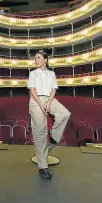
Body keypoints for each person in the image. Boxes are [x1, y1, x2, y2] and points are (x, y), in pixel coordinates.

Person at [28, 50, 71, 179]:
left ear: (45, 59)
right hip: (36, 101)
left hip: (49, 99)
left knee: (65, 114)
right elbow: (32, 91)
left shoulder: (52, 74)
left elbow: (53, 90)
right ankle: (43, 167)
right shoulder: (33, 73)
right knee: (40, 131)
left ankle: (54, 136)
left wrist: (48, 102)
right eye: (35, 58)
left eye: (38, 58)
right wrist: (42, 105)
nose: (36, 60)